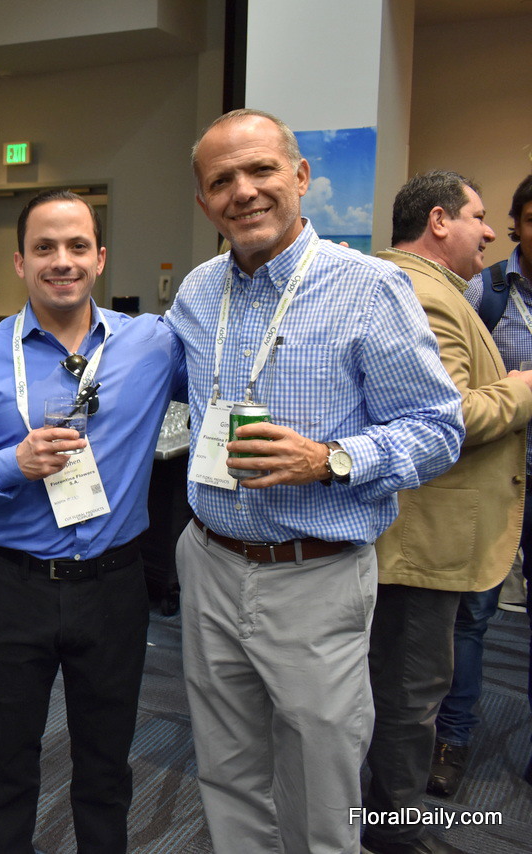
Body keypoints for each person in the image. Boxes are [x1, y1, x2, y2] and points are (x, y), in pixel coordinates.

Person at [166, 109, 464, 854]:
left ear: (300, 177)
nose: (243, 191)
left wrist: (330, 459)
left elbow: (438, 429)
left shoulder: (370, 288)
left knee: (320, 781)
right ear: (204, 203)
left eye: (261, 170)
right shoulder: (198, 293)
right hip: (209, 561)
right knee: (227, 769)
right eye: (222, 181)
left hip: (314, 572)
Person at [0, 189, 184, 853]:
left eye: (76, 246)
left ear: (100, 258)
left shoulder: (152, 345)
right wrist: (11, 463)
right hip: (14, 586)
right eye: (44, 248)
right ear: (20, 261)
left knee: (106, 761)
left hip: (114, 587)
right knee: (11, 755)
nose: (61, 261)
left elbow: (224, 381)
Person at [365, 171, 528, 854]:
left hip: (423, 536)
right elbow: (448, 418)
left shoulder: (421, 287)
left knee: (405, 689)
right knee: (409, 697)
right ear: (438, 221)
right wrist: (523, 389)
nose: (491, 232)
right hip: (420, 540)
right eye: (478, 216)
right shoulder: (423, 295)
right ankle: (392, 833)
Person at [446, 173, 532, 794]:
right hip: (493, 475)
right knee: (472, 616)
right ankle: (451, 739)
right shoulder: (487, 290)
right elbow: (452, 387)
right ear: (517, 225)